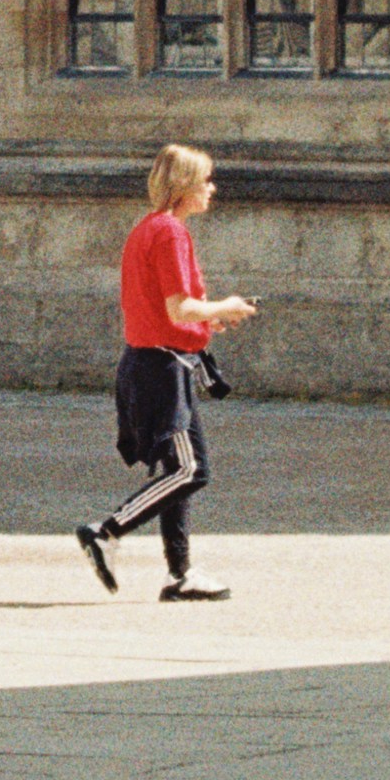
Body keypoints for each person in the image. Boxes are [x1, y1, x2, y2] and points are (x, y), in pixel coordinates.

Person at [80, 142, 251, 600]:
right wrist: (227, 306)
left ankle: (181, 575)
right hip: (160, 367)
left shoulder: (147, 229)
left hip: (154, 363)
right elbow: (180, 307)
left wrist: (209, 321)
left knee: (180, 472)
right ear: (184, 186)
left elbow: (166, 309)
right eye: (206, 180)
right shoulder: (170, 232)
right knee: (191, 472)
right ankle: (107, 531)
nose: (212, 189)